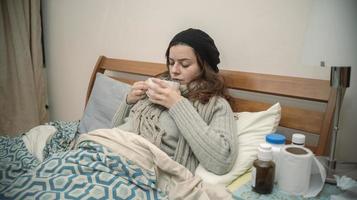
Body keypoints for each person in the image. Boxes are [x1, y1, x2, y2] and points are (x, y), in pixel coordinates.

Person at [112, 28, 237, 175]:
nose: (175, 71)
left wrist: (177, 105)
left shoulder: (215, 105)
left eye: (184, 64)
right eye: (171, 63)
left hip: (137, 170)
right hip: (107, 150)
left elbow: (222, 161)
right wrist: (128, 102)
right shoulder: (156, 87)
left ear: (204, 67)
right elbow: (113, 129)